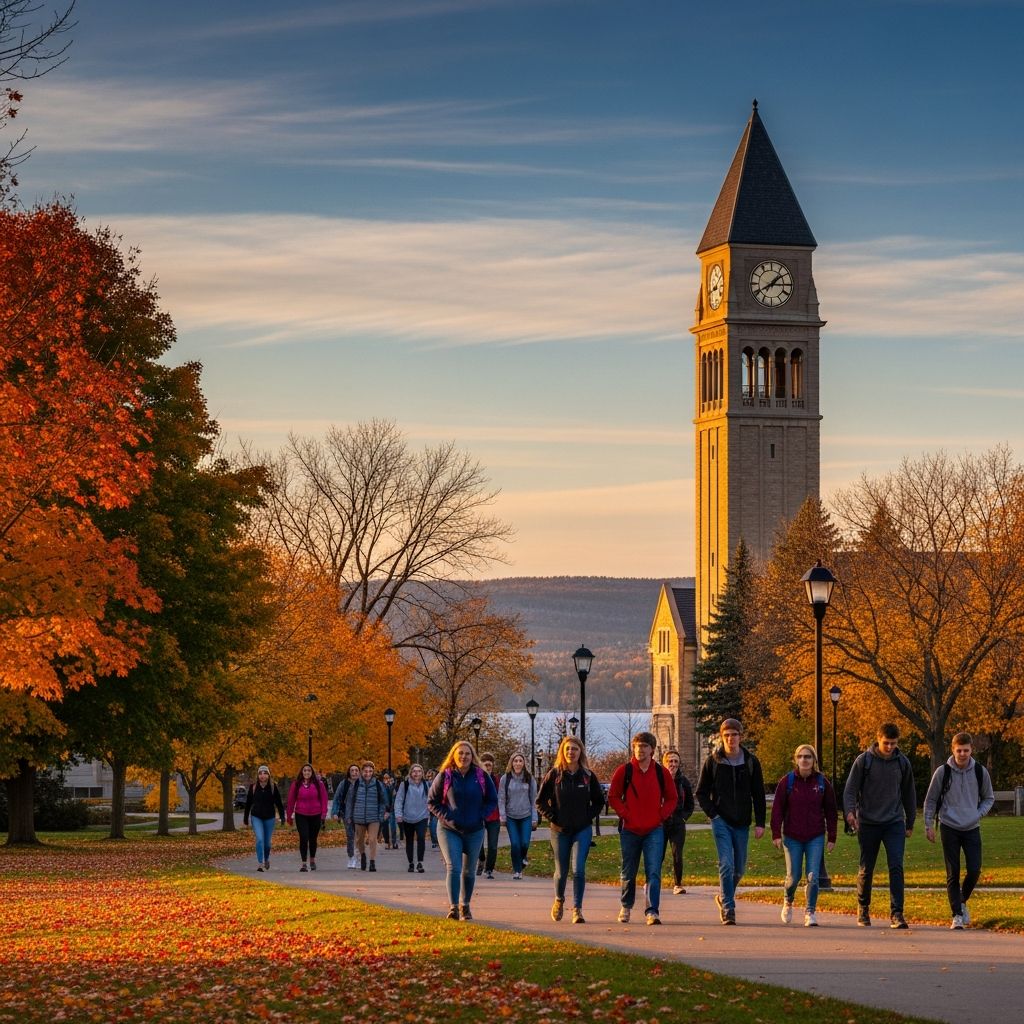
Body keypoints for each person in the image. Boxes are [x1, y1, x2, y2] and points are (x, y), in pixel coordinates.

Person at [843, 722, 917, 929]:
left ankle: (897, 913)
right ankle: (863, 907)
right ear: (878, 739)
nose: (890, 747)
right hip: (868, 822)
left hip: (894, 822)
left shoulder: (902, 763)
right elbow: (850, 790)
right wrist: (850, 813)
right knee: (867, 868)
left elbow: (909, 794)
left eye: (893, 743)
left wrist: (910, 822)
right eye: (886, 743)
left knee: (896, 866)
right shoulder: (864, 761)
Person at [695, 718, 766, 925]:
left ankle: (724, 896)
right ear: (721, 737)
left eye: (734, 734)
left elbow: (758, 794)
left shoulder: (751, 762)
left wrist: (760, 822)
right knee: (726, 863)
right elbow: (701, 792)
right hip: (721, 821)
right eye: (726, 735)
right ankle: (728, 908)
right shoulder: (714, 762)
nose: (730, 739)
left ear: (740, 737)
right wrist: (713, 814)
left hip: (742, 822)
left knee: (739, 869)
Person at [923, 732, 995, 930]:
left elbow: (989, 798)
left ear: (971, 750)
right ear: (952, 750)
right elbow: (930, 800)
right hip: (949, 826)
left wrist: (977, 814)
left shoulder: (980, 772)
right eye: (959, 750)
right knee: (952, 872)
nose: (962, 754)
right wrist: (928, 824)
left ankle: (962, 902)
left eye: (966, 750)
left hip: (971, 827)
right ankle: (956, 914)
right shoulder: (942, 772)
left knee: (974, 869)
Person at [608, 731, 677, 925]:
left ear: (652, 750)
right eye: (637, 746)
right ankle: (626, 906)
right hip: (630, 829)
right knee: (628, 871)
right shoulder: (625, 771)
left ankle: (652, 910)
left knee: (653, 871)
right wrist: (625, 813)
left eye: (644, 746)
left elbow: (672, 798)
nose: (640, 749)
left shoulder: (661, 772)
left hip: (654, 829)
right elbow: (613, 796)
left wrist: (661, 815)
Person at [536, 736, 605, 924]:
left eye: (574, 749)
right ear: (562, 752)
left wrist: (587, 816)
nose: (571, 752)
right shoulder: (555, 775)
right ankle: (559, 899)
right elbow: (540, 801)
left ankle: (577, 909)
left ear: (580, 751)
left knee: (579, 870)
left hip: (582, 830)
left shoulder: (588, 776)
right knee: (561, 871)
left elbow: (599, 801)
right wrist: (553, 817)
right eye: (567, 749)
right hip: (560, 830)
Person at [428, 740, 498, 921]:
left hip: (474, 830)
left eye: (467, 754)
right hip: (449, 829)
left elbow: (492, 800)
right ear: (454, 755)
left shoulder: (481, 776)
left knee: (469, 871)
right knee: (454, 867)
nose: (463, 757)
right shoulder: (446, 776)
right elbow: (432, 801)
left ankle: (465, 904)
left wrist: (481, 815)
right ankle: (453, 908)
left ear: (472, 756)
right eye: (460, 753)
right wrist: (448, 817)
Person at [770, 744, 837, 927]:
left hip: (815, 836)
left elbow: (831, 811)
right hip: (792, 836)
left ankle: (810, 911)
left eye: (808, 757)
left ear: (814, 760)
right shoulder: (788, 782)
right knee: (793, 876)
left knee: (813, 875)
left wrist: (832, 836)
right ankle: (788, 899)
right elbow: (777, 810)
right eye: (800, 756)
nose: (804, 760)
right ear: (796, 759)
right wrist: (776, 833)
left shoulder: (822, 783)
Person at [498, 751, 537, 880]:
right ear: (512, 763)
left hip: (526, 816)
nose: (518, 763)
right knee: (515, 844)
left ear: (524, 763)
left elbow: (533, 800)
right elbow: (501, 799)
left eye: (520, 761)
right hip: (511, 817)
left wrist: (534, 818)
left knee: (524, 843)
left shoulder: (529, 778)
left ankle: (523, 857)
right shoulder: (506, 778)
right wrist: (502, 816)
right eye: (516, 761)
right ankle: (517, 870)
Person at [661, 750, 695, 896]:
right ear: (664, 762)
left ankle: (678, 884)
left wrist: (683, 818)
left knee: (677, 854)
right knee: (657, 855)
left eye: (675, 761)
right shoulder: (658, 779)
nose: (673, 764)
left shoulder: (683, 782)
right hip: (660, 823)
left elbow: (690, 804)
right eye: (670, 761)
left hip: (677, 823)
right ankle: (652, 881)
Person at [346, 761, 390, 872]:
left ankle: (372, 862)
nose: (368, 773)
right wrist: (349, 816)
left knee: (372, 839)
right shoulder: (355, 784)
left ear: (373, 772)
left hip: (373, 817)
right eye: (365, 771)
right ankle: (363, 855)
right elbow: (350, 802)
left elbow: (383, 801)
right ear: (362, 771)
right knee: (359, 840)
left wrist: (381, 814)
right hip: (358, 817)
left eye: (370, 771)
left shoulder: (378, 784)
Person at [286, 762, 328, 872]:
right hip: (301, 815)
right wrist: (289, 815)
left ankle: (312, 860)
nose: (306, 772)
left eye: (309, 770)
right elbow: (291, 800)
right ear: (302, 772)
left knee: (313, 839)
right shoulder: (296, 784)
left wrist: (324, 813)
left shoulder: (319, 784)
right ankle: (304, 863)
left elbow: (324, 799)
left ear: (312, 772)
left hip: (316, 814)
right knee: (304, 838)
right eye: (304, 770)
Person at [243, 765, 285, 872]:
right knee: (260, 839)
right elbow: (248, 804)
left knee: (267, 843)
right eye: (260, 773)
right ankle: (260, 863)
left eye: (265, 773)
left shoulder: (272, 787)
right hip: (256, 817)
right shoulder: (253, 787)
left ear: (268, 775)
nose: (262, 775)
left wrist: (282, 817)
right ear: (258, 775)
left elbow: (279, 804)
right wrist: (245, 819)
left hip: (269, 818)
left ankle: (266, 859)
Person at [395, 763, 431, 873]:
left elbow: (430, 800)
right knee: (409, 840)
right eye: (414, 771)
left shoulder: (426, 785)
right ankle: (411, 863)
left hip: (422, 816)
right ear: (411, 773)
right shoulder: (404, 785)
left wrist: (430, 812)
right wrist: (398, 815)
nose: (416, 773)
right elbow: (399, 800)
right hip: (407, 817)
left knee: (421, 838)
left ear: (422, 773)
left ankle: (420, 863)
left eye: (419, 771)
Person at [476, 752, 501, 879]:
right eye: (485, 765)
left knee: (492, 845)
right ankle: (481, 858)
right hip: (479, 816)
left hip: (494, 816)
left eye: (490, 765)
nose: (488, 767)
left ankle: (489, 869)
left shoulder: (497, 779)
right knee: (478, 843)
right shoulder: (476, 778)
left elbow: (500, 797)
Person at [331, 764, 361, 869]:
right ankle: (351, 857)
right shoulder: (343, 784)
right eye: (352, 770)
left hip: (360, 815)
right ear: (349, 772)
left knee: (359, 837)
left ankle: (359, 858)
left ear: (359, 772)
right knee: (350, 836)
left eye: (356, 770)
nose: (354, 772)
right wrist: (335, 812)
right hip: (347, 814)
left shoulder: (362, 784)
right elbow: (337, 799)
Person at [425, 768, 440, 849]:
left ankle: (434, 842)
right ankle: (436, 841)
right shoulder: (437, 782)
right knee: (434, 822)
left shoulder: (426, 783)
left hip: (430, 805)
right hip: (436, 805)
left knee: (432, 822)